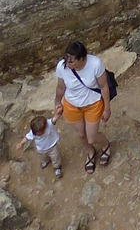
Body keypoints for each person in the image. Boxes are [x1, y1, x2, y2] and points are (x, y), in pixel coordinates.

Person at [53, 42, 111, 173]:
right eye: (66, 60)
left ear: (82, 59)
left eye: (71, 62)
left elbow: (104, 87)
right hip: (72, 105)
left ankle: (105, 144)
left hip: (93, 104)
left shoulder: (95, 64)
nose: (67, 65)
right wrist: (57, 101)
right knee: (81, 134)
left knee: (92, 137)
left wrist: (107, 108)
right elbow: (61, 87)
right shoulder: (62, 67)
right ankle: (90, 151)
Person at [22, 113, 61, 179]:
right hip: (41, 149)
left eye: (41, 132)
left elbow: (54, 119)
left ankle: (57, 167)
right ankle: (45, 161)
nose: (39, 134)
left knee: (55, 157)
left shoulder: (48, 124)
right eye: (37, 133)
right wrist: (21, 143)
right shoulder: (33, 133)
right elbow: (26, 138)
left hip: (52, 147)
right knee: (43, 157)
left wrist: (58, 114)